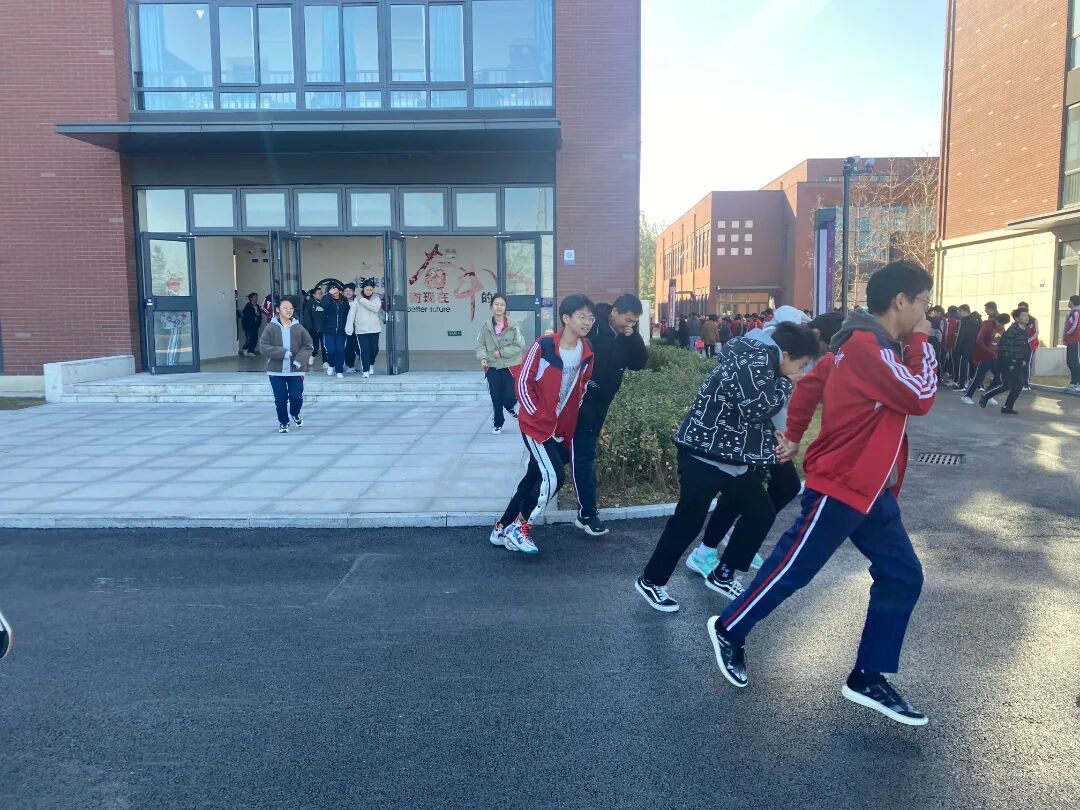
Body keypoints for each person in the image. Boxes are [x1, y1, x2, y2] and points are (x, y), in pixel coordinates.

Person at [706, 259, 938, 727]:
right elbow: (920, 395)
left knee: (902, 575)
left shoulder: (861, 347)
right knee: (793, 568)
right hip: (843, 484)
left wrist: (793, 436)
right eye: (923, 303)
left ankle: (867, 676)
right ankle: (729, 628)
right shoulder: (868, 347)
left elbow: (810, 384)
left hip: (872, 491)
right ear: (901, 302)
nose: (926, 313)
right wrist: (922, 342)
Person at [635, 319, 820, 609]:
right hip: (703, 454)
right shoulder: (755, 359)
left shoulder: (764, 360)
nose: (802, 371)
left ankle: (723, 574)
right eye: (802, 364)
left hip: (731, 458)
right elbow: (755, 408)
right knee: (688, 521)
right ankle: (651, 581)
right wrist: (787, 383)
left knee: (761, 513)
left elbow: (754, 412)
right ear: (786, 354)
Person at [685, 309, 842, 583]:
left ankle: (733, 541)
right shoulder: (775, 349)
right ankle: (713, 550)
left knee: (775, 490)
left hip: (767, 433)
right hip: (757, 435)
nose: (826, 355)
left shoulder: (794, 346)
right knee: (754, 495)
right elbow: (762, 402)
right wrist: (787, 434)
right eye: (829, 347)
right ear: (817, 336)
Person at [490, 295, 596, 555]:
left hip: (559, 428)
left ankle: (501, 527)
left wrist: (567, 421)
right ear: (566, 318)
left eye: (591, 318)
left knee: (534, 477)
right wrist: (537, 416)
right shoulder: (544, 346)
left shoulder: (586, 351)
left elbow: (581, 388)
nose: (587, 322)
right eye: (582, 316)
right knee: (554, 476)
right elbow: (522, 383)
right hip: (536, 426)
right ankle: (521, 527)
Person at [572, 294, 648, 536]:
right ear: (614, 312)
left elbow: (639, 363)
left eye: (634, 321)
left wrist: (633, 337)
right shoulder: (592, 327)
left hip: (602, 403)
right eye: (627, 319)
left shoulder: (627, 336)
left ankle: (585, 511)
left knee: (582, 452)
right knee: (583, 453)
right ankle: (587, 513)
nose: (630, 324)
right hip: (581, 399)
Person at [257, 297, 314, 433]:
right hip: (276, 370)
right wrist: (283, 353)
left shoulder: (299, 328)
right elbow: (263, 347)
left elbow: (309, 345)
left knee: (296, 397)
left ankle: (295, 413)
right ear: (278, 309)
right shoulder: (270, 327)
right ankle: (284, 422)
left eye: (291, 308)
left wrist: (299, 360)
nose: (288, 310)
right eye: (285, 308)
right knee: (280, 399)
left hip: (296, 370)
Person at [475, 293, 525, 434]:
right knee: (496, 397)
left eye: (502, 304)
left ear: (505, 307)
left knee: (510, 396)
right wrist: (483, 357)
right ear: (492, 306)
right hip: (492, 366)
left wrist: (502, 352)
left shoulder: (514, 325)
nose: (499, 307)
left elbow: (519, 345)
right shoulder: (485, 326)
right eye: (496, 304)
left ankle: (510, 406)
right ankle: (498, 423)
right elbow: (480, 345)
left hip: (511, 365)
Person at [979, 308, 1032, 414]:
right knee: (1007, 384)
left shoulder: (1023, 330)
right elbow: (1005, 348)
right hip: (1008, 362)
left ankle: (1007, 406)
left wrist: (1024, 359)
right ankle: (986, 396)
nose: (1026, 318)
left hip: (1019, 362)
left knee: (1018, 385)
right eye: (1023, 316)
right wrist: (1010, 362)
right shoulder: (1012, 331)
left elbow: (1024, 347)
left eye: (1027, 315)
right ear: (1016, 318)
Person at [963, 312, 1010, 404]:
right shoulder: (987, 325)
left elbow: (1001, 340)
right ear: (997, 320)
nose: (1000, 325)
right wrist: (990, 352)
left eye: (1003, 324)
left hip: (996, 356)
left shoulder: (1002, 327)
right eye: (1000, 323)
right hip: (985, 355)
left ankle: (988, 395)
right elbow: (979, 341)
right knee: (979, 377)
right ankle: (967, 396)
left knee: (998, 378)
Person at [348, 278, 384, 378]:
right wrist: (349, 328)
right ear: (363, 289)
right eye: (367, 289)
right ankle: (366, 370)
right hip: (361, 330)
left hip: (374, 329)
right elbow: (351, 314)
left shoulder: (376, 298)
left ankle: (371, 363)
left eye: (371, 290)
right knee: (364, 350)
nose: (369, 291)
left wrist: (363, 301)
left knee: (374, 349)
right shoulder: (356, 300)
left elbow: (376, 308)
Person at [321, 283, 351, 378]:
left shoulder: (344, 300)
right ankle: (331, 365)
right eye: (333, 292)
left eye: (337, 291)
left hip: (341, 331)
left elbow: (348, 313)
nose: (336, 293)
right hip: (329, 330)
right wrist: (329, 295)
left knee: (340, 350)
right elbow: (323, 305)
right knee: (330, 350)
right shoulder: (327, 299)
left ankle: (339, 370)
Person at [953, 304, 979, 388]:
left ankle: (962, 384)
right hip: (969, 346)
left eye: (960, 311)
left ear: (966, 311)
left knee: (964, 365)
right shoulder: (973, 321)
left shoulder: (967, 321)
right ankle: (965, 382)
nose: (959, 313)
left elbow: (962, 335)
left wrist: (958, 347)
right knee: (967, 364)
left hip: (965, 347)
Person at [1015, 301, 1039, 389]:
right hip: (1019, 345)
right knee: (1019, 363)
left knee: (1027, 364)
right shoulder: (1017, 320)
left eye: (1023, 309)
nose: (1021, 311)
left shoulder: (1033, 320)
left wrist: (1027, 341)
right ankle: (1018, 382)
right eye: (1020, 309)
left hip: (1030, 345)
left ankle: (1026, 384)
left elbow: (1036, 333)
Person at [302, 287, 327, 366]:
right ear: (314, 295)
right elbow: (307, 317)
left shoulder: (325, 302)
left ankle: (325, 362)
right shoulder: (310, 304)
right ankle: (313, 355)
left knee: (324, 346)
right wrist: (309, 328)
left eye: (321, 293)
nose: (320, 295)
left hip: (324, 329)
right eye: (318, 294)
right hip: (313, 329)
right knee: (315, 346)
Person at [1066, 294, 1080, 390]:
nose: (1068, 302)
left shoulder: (1077, 312)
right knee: (1070, 361)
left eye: (1069, 301)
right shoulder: (1071, 312)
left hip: (1076, 339)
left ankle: (1078, 382)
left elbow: (1075, 325)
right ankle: (1074, 381)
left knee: (1075, 362)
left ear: (1072, 302)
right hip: (1070, 340)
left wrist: (1067, 333)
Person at [240, 292, 261, 357]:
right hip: (248, 325)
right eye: (255, 297)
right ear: (251, 298)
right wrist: (255, 314)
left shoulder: (257, 306)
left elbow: (259, 315)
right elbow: (246, 315)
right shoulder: (248, 306)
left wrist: (258, 316)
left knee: (255, 338)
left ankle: (251, 351)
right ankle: (245, 349)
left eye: (257, 297)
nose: (256, 298)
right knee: (249, 338)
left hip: (255, 325)